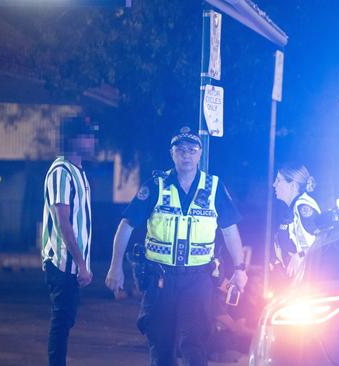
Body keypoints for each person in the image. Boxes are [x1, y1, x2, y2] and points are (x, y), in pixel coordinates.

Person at [105, 126, 248, 366]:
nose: (186, 155)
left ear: (200, 154)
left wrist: (240, 269)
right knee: (161, 345)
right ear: (172, 154)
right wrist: (114, 266)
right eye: (180, 150)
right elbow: (127, 225)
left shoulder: (213, 188)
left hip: (198, 278)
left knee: (195, 345)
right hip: (160, 278)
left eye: (192, 150)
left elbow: (230, 230)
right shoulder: (156, 185)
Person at [41, 116, 97, 366]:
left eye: (92, 135)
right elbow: (64, 222)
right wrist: (81, 264)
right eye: (86, 136)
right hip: (62, 262)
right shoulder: (61, 172)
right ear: (72, 140)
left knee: (66, 320)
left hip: (73, 264)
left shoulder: (79, 173)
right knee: (61, 321)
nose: (92, 140)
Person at [272, 162, 321, 281]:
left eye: (278, 180)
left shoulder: (303, 206)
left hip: (308, 282)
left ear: (292, 185)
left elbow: (320, 241)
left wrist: (300, 255)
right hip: (297, 280)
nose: (274, 185)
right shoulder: (294, 207)